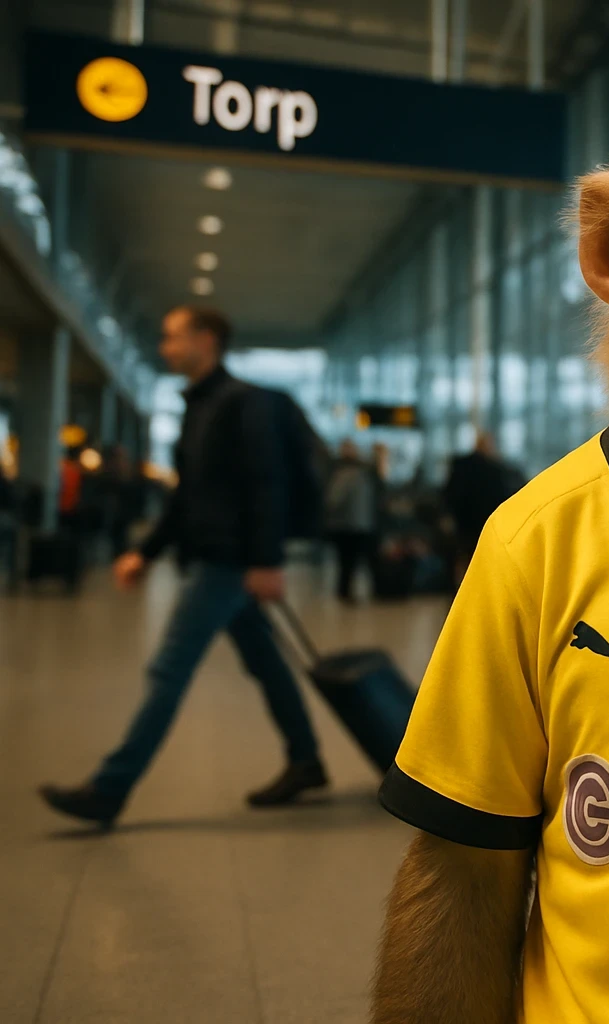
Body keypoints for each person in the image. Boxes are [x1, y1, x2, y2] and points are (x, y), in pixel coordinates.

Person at [39, 306, 326, 827]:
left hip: (228, 562)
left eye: (172, 337)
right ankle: (306, 760)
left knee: (168, 669)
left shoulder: (243, 405)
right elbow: (188, 496)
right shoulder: (201, 406)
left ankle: (109, 788)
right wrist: (145, 554)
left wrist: (266, 560)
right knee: (266, 663)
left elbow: (268, 484)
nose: (164, 347)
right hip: (219, 556)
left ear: (206, 338)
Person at [441, 430, 526, 587]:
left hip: (463, 523)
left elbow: (449, 494)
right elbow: (502, 496)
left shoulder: (460, 464)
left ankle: (459, 591)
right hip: (484, 522)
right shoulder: (496, 469)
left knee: (462, 559)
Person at [324, 439, 378, 602]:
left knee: (347, 562)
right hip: (357, 524)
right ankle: (346, 592)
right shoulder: (363, 473)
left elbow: (333, 500)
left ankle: (345, 591)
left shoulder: (342, 473)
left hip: (347, 525)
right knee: (352, 561)